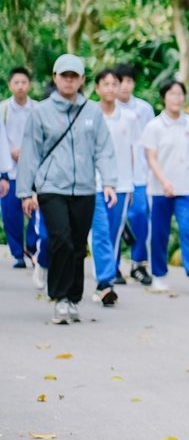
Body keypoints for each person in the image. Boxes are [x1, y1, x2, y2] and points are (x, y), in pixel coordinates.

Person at [16, 54, 119, 325]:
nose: (70, 80)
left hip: (85, 188)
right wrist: (26, 192)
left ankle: (74, 298)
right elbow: (30, 153)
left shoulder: (93, 111)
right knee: (60, 238)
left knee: (77, 244)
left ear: (83, 80)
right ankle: (60, 298)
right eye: (65, 75)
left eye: (75, 75)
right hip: (51, 187)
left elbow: (104, 149)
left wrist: (109, 182)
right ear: (55, 78)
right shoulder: (41, 112)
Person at [140, 79, 189, 294]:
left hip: (187, 188)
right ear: (163, 98)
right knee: (159, 232)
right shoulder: (154, 126)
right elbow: (151, 158)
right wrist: (164, 181)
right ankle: (159, 274)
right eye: (172, 94)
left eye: (180, 94)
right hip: (160, 189)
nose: (177, 98)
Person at [90, 69, 142, 305]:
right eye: (105, 84)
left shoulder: (130, 118)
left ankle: (105, 275)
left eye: (114, 84)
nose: (111, 88)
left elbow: (133, 152)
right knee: (99, 232)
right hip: (93, 183)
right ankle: (105, 280)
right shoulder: (89, 115)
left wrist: (131, 185)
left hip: (121, 184)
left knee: (113, 231)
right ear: (97, 88)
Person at [112, 64, 156, 283]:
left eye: (129, 81)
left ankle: (139, 264)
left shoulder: (145, 109)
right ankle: (113, 266)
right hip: (115, 177)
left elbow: (151, 143)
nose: (125, 86)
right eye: (120, 81)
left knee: (140, 217)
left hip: (140, 175)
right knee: (115, 221)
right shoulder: (106, 109)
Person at [2, 66, 38, 273]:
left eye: (24, 82)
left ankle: (32, 249)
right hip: (10, 172)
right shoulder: (3, 109)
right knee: (11, 214)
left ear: (30, 85)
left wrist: (27, 152)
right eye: (16, 82)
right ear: (10, 85)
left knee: (35, 212)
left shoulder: (38, 108)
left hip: (33, 171)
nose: (20, 86)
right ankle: (17, 253)